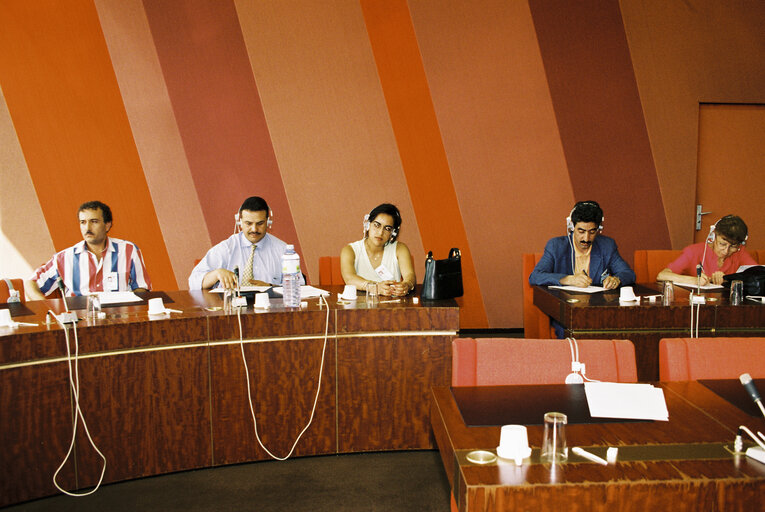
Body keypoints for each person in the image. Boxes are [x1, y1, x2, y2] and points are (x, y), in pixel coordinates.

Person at [26, 201, 151, 299]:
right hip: (80, 322)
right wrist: (46, 308)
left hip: (119, 320)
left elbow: (141, 288)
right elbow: (31, 283)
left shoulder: (128, 250)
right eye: (83, 222)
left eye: (94, 222)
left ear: (107, 225)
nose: (87, 228)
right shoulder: (65, 257)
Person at [189, 196, 305, 290]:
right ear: (240, 223)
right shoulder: (227, 248)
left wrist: (271, 288)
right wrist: (216, 274)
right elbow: (193, 282)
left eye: (260, 223)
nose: (254, 229)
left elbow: (300, 285)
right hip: (233, 313)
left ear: (268, 222)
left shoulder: (282, 250)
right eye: (248, 223)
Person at [529, 200, 635, 289]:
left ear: (599, 229)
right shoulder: (556, 246)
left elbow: (628, 273)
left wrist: (617, 279)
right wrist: (568, 279)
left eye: (592, 232)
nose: (586, 238)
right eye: (581, 231)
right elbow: (535, 277)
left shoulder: (607, 246)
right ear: (571, 227)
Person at [656, 215, 756, 286]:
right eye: (722, 244)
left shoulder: (740, 251)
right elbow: (662, 275)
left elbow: (758, 276)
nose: (726, 251)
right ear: (713, 236)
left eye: (733, 246)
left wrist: (728, 279)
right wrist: (695, 280)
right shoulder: (694, 251)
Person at [340, 203, 416, 297]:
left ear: (393, 233)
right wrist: (375, 287)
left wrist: (407, 285)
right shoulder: (349, 250)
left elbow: (410, 276)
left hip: (393, 308)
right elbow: (349, 279)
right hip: (359, 308)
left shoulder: (400, 249)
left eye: (387, 228)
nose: (380, 232)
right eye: (377, 225)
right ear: (367, 225)